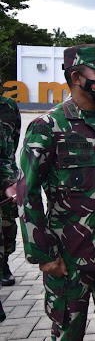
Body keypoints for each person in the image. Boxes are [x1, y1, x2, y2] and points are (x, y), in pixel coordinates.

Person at [17, 44, 95, 339]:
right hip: (69, 256)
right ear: (76, 77)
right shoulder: (47, 126)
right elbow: (28, 194)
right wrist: (43, 254)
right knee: (68, 331)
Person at [0, 81, 20, 288]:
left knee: (8, 221)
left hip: (6, 174)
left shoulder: (9, 107)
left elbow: (13, 141)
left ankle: (4, 262)